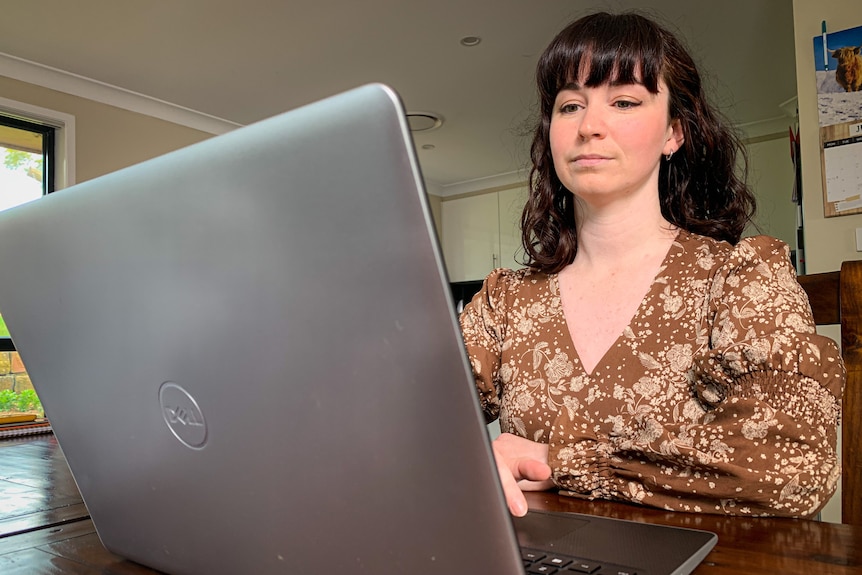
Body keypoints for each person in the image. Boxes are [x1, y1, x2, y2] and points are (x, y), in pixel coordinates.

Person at [459, 11, 845, 519]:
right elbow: (414, 431)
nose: (588, 127)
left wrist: (563, 463)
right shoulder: (505, 301)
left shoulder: (740, 280)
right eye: (569, 105)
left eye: (624, 102)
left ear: (674, 133)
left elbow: (794, 467)